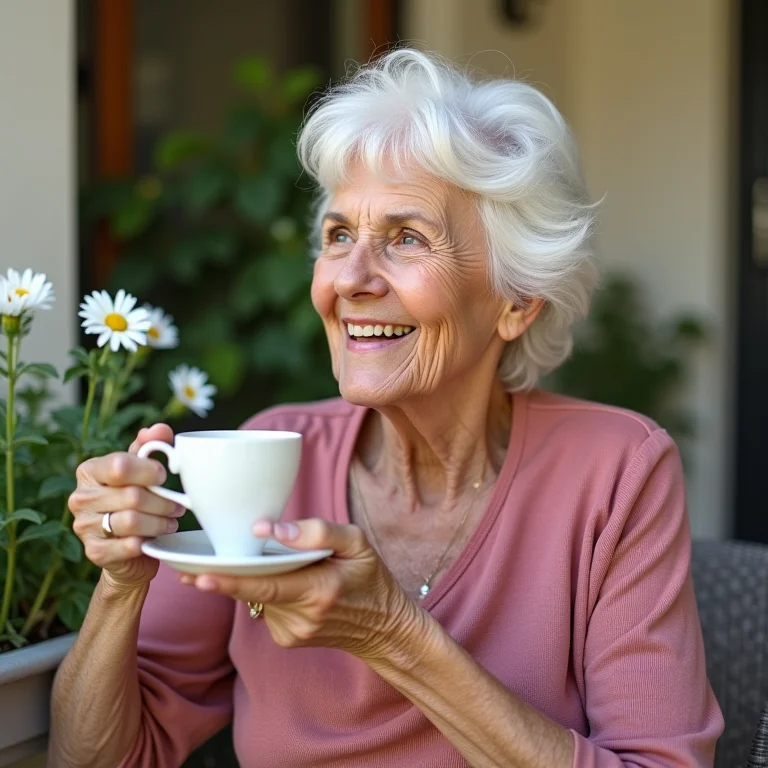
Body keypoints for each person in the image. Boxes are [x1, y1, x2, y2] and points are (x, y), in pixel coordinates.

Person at [50, 49, 723, 767]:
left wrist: (394, 636)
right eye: (339, 235)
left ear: (518, 301)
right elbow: (99, 758)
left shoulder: (615, 471)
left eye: (406, 238)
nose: (350, 279)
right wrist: (124, 582)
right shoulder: (271, 452)